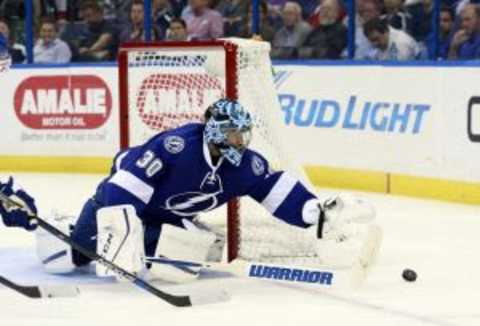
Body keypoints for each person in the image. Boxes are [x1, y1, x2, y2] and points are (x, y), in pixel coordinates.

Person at [0, 98, 379, 283]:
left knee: (187, 265)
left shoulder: (245, 164)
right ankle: (62, 227)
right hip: (118, 204)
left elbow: (273, 188)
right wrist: (120, 225)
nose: (241, 139)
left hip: (165, 217)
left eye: (243, 132)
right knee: (70, 259)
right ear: (214, 132)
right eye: (234, 132)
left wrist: (314, 211)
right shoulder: (176, 146)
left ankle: (152, 240)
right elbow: (125, 178)